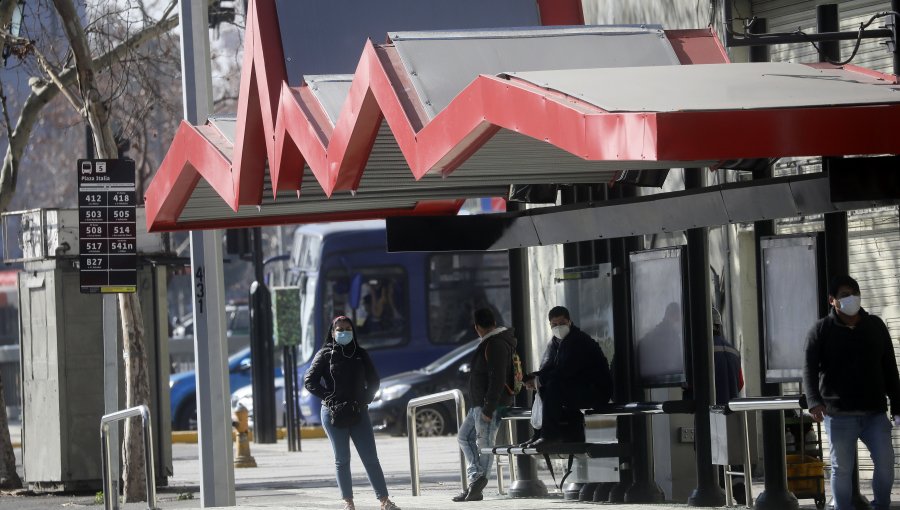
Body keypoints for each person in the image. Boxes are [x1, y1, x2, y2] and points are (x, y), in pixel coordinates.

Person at [802, 275, 900, 510]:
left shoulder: (875, 326)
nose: (850, 298)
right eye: (844, 295)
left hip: (875, 414)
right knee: (841, 469)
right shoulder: (821, 330)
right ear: (832, 300)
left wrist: (897, 406)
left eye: (854, 293)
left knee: (886, 464)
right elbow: (808, 368)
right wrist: (814, 401)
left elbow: (890, 368)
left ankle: (881, 505)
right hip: (838, 415)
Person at [304, 316, 401, 510]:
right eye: (339, 329)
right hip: (333, 413)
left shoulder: (360, 354)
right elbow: (310, 381)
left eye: (347, 329)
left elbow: (374, 380)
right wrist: (328, 397)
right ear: (332, 332)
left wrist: (365, 399)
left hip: (359, 412)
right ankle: (348, 502)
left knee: (370, 458)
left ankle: (384, 500)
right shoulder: (325, 354)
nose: (343, 332)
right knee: (342, 459)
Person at [452, 307, 517, 503]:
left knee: (485, 444)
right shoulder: (492, 342)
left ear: (477, 327)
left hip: (489, 405)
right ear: (493, 323)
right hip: (478, 404)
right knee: (464, 437)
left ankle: (478, 485)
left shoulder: (495, 344)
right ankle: (475, 479)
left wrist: (489, 408)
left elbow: (497, 378)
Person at [523, 306, 613, 446]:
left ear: (570, 322)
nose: (558, 327)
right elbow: (547, 368)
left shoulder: (579, 341)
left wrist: (539, 380)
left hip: (593, 391)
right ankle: (539, 434)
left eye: (562, 323)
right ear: (550, 325)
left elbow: (565, 370)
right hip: (575, 388)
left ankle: (549, 436)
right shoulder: (554, 344)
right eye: (554, 324)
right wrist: (532, 378)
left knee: (551, 385)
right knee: (541, 387)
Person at [712, 307, 743, 406]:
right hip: (732, 412)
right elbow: (740, 383)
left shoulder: (701, 350)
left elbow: (690, 385)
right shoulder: (734, 351)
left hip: (709, 412)